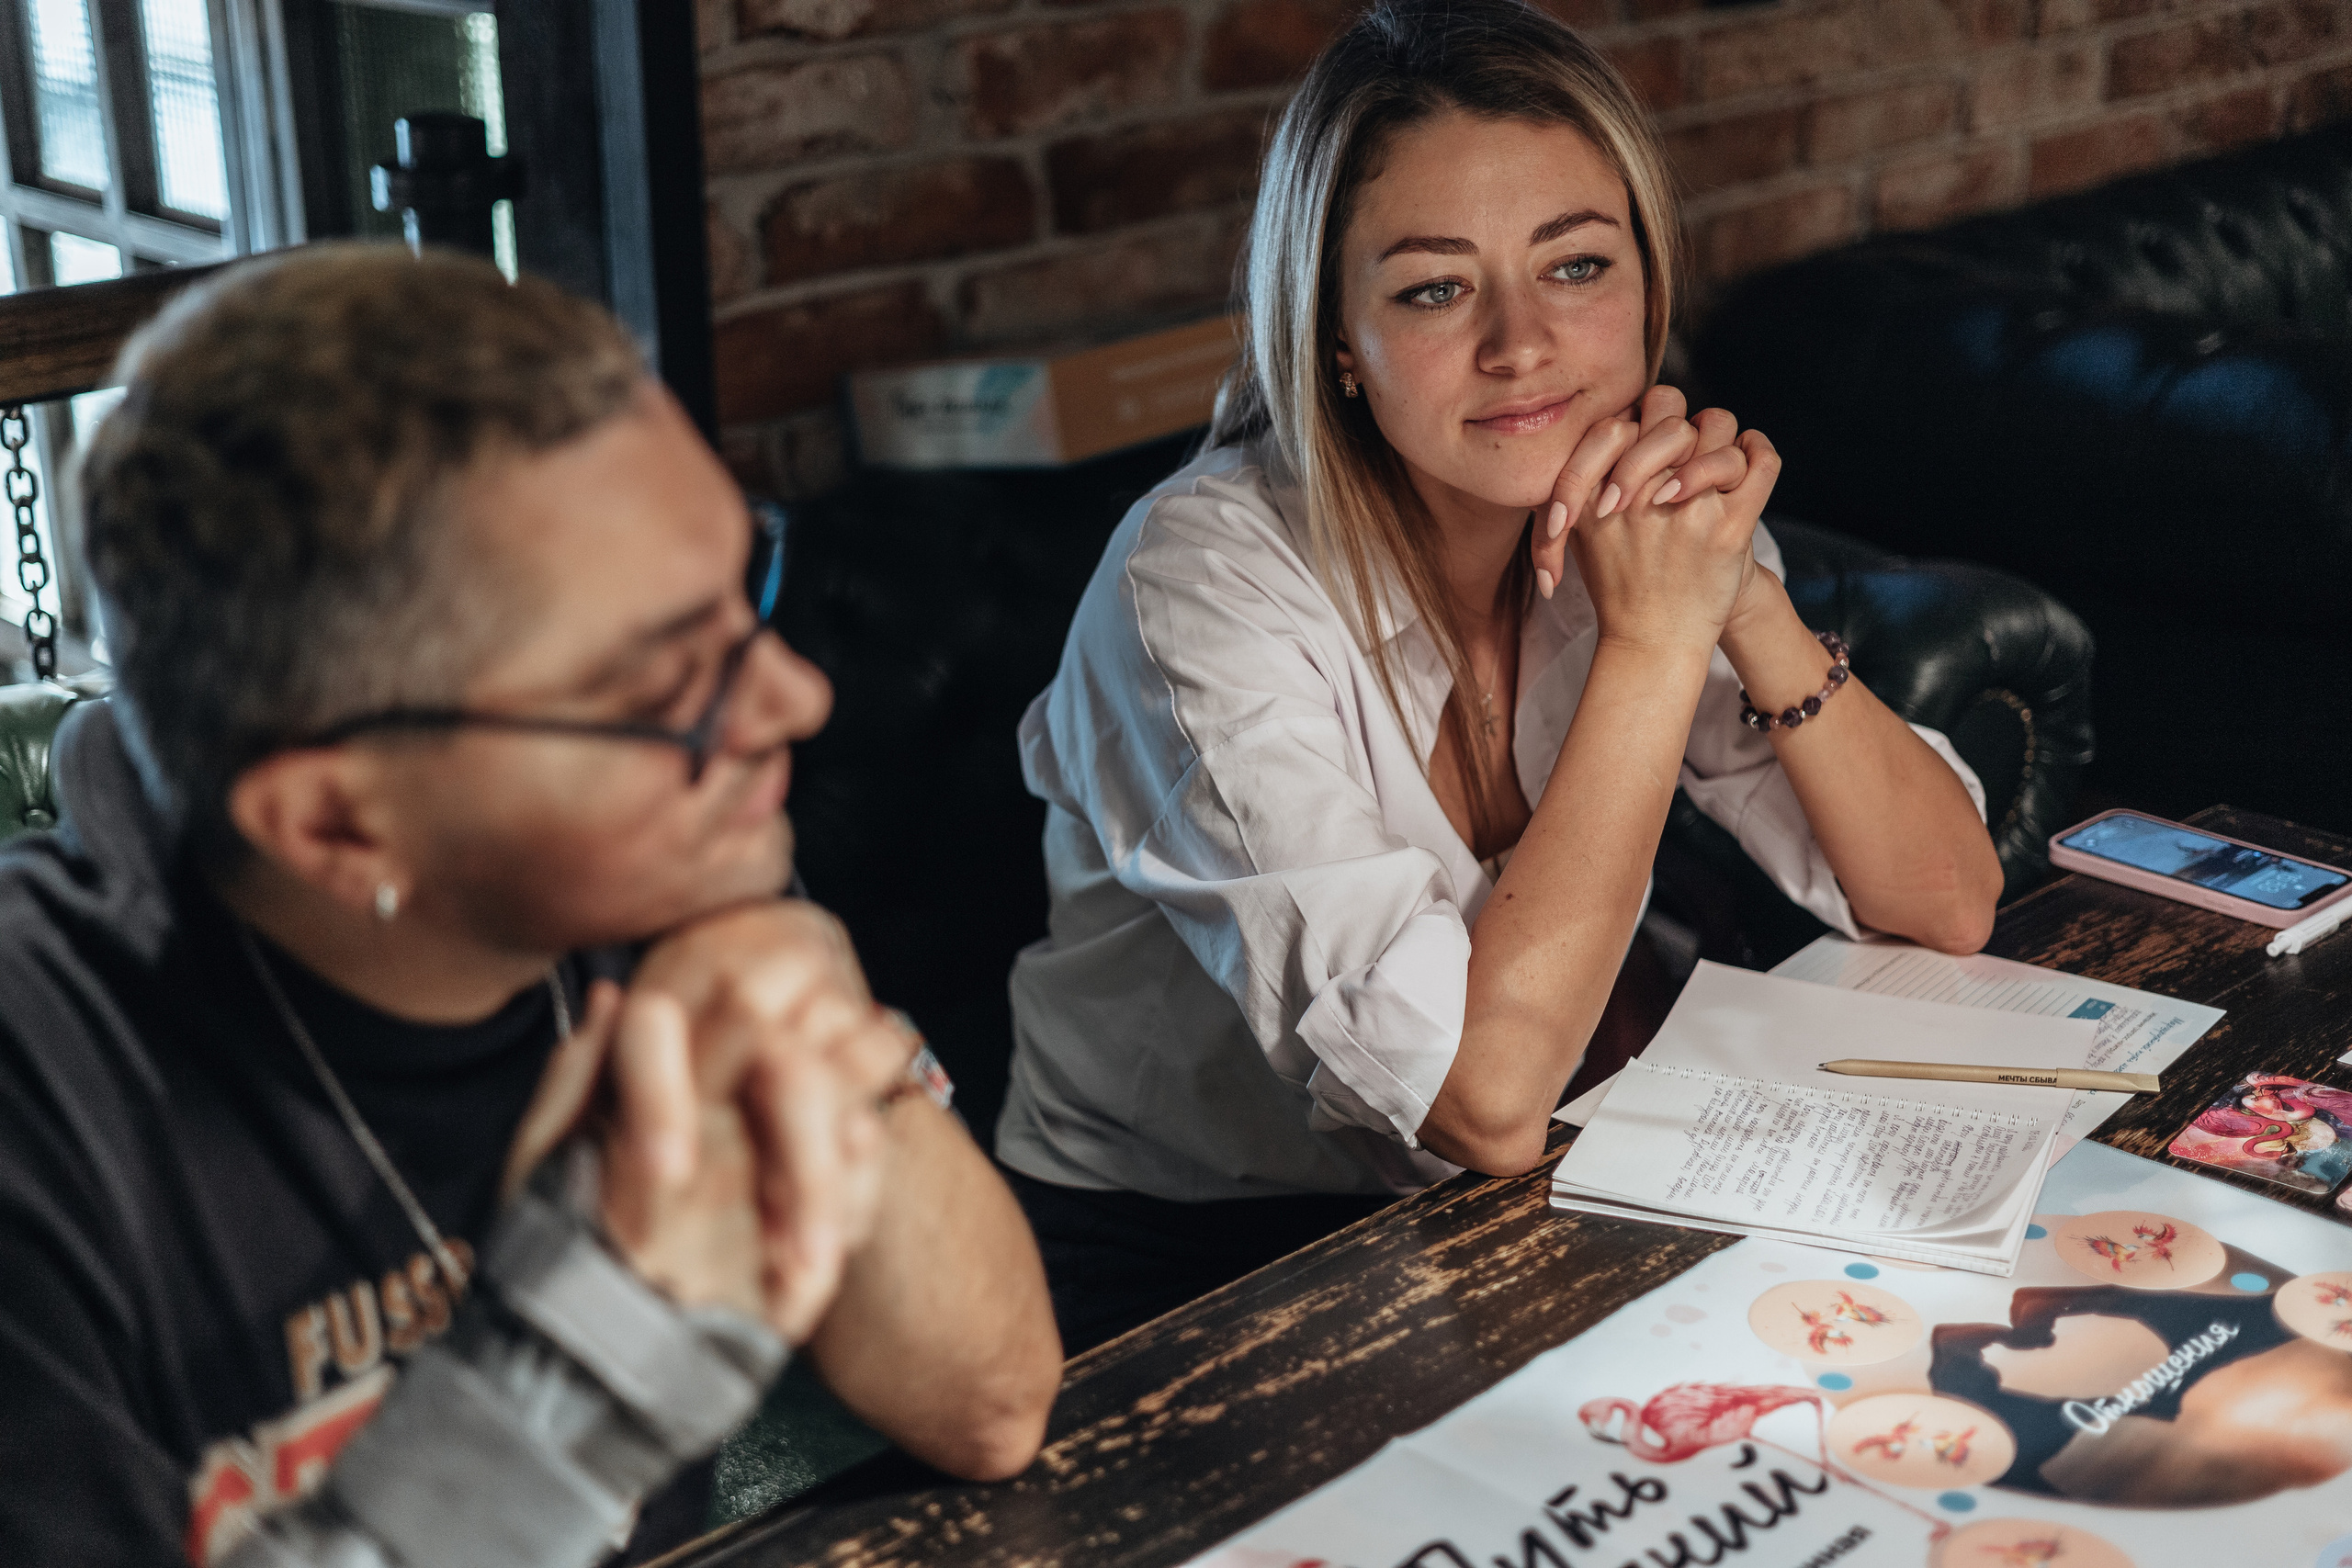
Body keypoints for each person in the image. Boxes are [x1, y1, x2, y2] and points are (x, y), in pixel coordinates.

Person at [0, 245, 1061, 1568]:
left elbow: (991, 1405)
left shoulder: (656, 860)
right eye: (665, 684)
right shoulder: (46, 1109)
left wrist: (818, 1024)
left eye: (746, 596)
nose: (796, 700)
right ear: (336, 823)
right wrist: (584, 1354)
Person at [998, 0, 2003, 1353]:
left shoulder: (1640, 510)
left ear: (1647, 288)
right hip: (1200, 1251)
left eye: (1576, 267)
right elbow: (1476, 1102)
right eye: (1434, 288)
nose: (1521, 344)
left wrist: (1742, 600)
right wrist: (1654, 643)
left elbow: (1946, 899)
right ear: (1336, 338)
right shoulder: (1194, 585)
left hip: (1533, 1179)